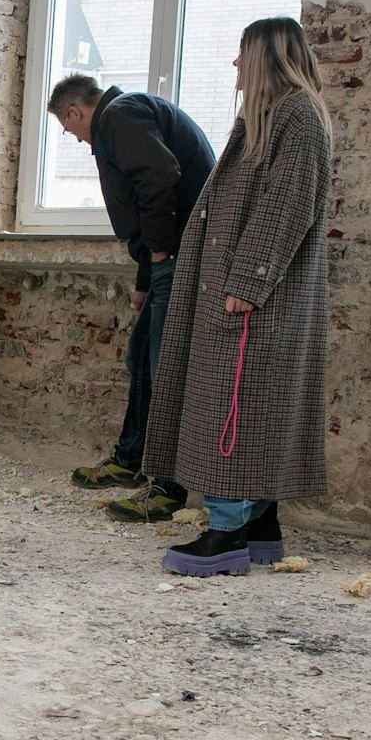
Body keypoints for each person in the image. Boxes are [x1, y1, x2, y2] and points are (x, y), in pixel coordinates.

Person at [142, 17, 334, 576]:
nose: (234, 65)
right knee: (248, 407)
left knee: (236, 406)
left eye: (241, 53)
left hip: (254, 297)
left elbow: (287, 203)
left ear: (267, 56)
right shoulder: (271, 115)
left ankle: (226, 533)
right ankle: (259, 524)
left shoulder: (296, 115)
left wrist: (248, 281)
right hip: (245, 292)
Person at [45, 73, 215, 523]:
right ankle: (131, 459)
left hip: (178, 255)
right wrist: (146, 276)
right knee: (141, 357)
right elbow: (146, 205)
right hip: (166, 258)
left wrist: (159, 253)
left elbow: (160, 180)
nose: (77, 140)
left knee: (166, 369)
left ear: (75, 112)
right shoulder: (128, 114)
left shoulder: (119, 117)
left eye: (69, 130)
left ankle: (167, 487)